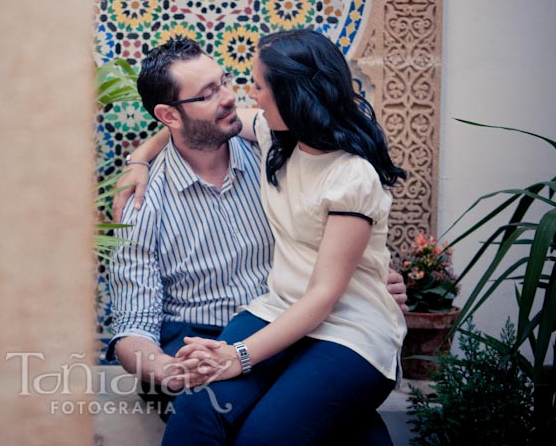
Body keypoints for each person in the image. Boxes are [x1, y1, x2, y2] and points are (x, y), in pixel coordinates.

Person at [108, 35, 406, 443]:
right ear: (170, 115)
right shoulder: (144, 203)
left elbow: (328, 278)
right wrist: (165, 368)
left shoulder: (266, 148)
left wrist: (370, 278)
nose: (233, 97)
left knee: (353, 437)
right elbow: (132, 325)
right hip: (217, 330)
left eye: (227, 82)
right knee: (202, 414)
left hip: (314, 331)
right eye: (209, 93)